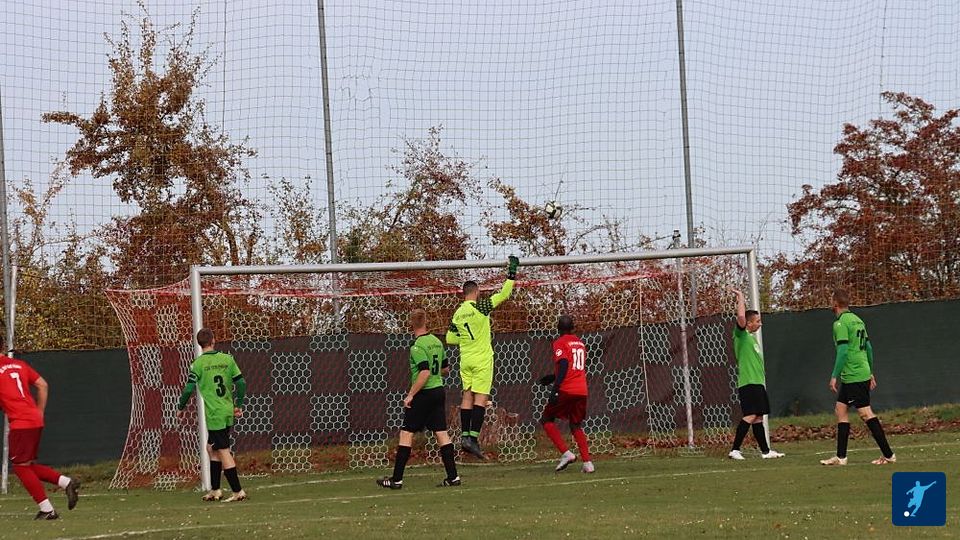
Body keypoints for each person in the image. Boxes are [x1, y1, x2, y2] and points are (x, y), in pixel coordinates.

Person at [377, 308, 461, 489]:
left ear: (411, 324)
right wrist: (435, 372)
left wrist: (410, 395)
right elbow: (446, 369)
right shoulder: (436, 342)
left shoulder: (417, 346)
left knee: (406, 433)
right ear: (426, 322)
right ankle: (453, 477)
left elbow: (424, 372)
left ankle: (396, 480)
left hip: (424, 394)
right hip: (438, 391)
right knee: (441, 433)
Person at [445, 255, 519, 459]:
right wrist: (512, 272)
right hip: (482, 359)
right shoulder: (481, 307)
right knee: (481, 398)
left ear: (463, 294)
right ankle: (473, 439)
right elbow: (504, 294)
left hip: (465, 359)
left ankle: (465, 436)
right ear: (476, 292)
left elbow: (450, 338)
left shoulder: (458, 313)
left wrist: (466, 339)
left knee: (467, 396)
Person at [0, 348, 80, 520]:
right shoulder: (19, 364)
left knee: (20, 467)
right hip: (34, 419)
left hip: (21, 423)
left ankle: (47, 509)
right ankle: (66, 482)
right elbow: (42, 384)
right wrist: (40, 412)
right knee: (27, 466)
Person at [820, 289, 895, 466]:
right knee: (841, 409)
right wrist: (870, 371)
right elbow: (869, 348)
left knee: (865, 413)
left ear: (835, 303)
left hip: (853, 374)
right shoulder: (858, 320)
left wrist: (834, 376)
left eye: (831, 300)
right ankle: (841, 457)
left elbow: (843, 351)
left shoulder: (840, 323)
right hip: (857, 372)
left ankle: (889, 455)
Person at [177, 328, 248, 501]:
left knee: (223, 451)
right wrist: (238, 405)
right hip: (227, 410)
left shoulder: (197, 364)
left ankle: (238, 491)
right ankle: (215, 490)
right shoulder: (227, 359)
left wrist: (181, 406)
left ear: (199, 344)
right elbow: (241, 383)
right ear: (213, 340)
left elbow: (188, 388)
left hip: (215, 414)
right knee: (211, 448)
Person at [726, 287, 784, 460]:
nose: (760, 324)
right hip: (749, 382)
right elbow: (741, 317)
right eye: (758, 321)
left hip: (757, 382)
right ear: (749, 323)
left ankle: (766, 452)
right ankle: (735, 449)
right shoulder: (741, 335)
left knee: (758, 417)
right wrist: (741, 297)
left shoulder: (751, 338)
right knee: (751, 415)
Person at [540, 315, 595, 473]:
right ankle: (588, 463)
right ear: (573, 328)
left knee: (546, 419)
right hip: (582, 390)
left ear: (558, 328)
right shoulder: (580, 343)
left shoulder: (559, 342)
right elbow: (573, 367)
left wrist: (555, 388)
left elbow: (564, 363)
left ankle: (566, 453)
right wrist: (553, 377)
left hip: (567, 389)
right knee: (575, 424)